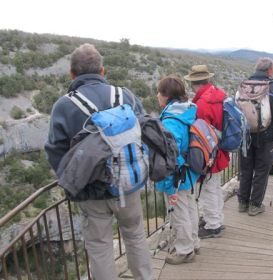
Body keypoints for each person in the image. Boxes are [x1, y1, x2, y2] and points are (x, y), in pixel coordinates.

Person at [44, 43, 153, 280]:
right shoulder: (125, 95)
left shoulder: (64, 105)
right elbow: (143, 130)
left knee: (100, 247)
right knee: (135, 236)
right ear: (102, 71)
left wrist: (74, 179)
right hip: (127, 183)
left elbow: (54, 149)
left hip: (91, 191)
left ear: (72, 74)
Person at [155, 75, 200, 265]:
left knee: (178, 211)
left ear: (166, 95)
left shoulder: (171, 119)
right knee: (190, 207)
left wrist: (168, 175)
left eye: (159, 92)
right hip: (189, 172)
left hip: (177, 175)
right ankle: (193, 242)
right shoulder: (187, 110)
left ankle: (184, 250)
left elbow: (171, 152)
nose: (157, 95)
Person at [184, 65, 229, 239]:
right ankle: (217, 219)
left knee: (207, 189)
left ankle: (213, 225)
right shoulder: (219, 94)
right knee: (214, 187)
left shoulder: (202, 103)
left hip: (209, 152)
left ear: (194, 82)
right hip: (219, 148)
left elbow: (201, 133)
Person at [237, 57, 273, 215]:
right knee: (261, 170)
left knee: (245, 169)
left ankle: (242, 203)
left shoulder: (244, 85)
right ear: (270, 70)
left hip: (245, 135)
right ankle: (255, 205)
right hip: (266, 135)